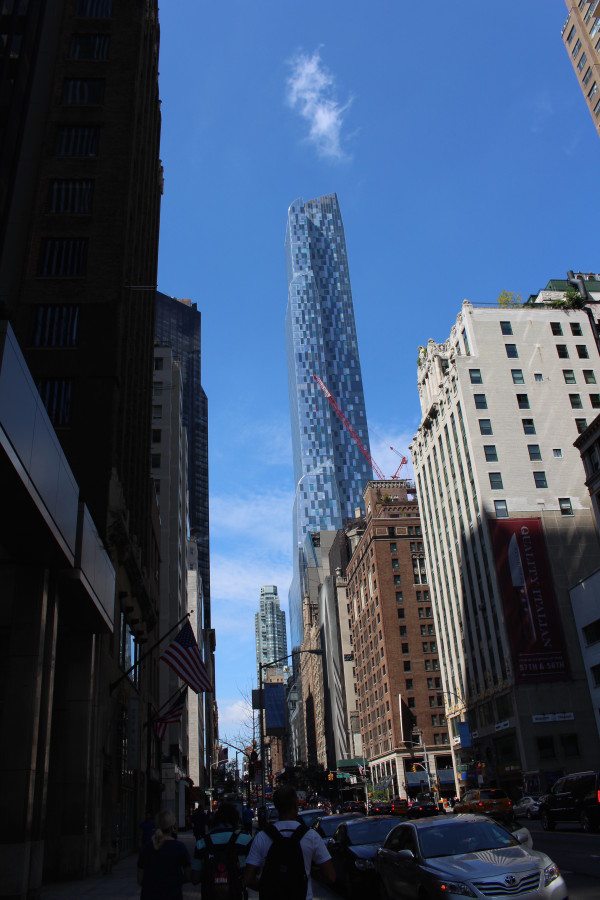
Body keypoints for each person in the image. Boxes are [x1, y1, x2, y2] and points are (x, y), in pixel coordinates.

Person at [244, 785, 335, 900]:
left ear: (276, 806)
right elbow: (330, 876)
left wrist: (268, 888)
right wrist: (307, 875)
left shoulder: (262, 837)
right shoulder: (311, 837)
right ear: (296, 805)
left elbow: (248, 878)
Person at [191, 802, 252, 897]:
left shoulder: (202, 842)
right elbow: (251, 872)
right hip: (236, 893)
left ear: (216, 819)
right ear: (236, 819)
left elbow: (195, 878)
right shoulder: (245, 839)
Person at [137, 809, 191, 900]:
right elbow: (188, 876)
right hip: (173, 895)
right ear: (172, 827)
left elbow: (140, 879)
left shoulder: (146, 848)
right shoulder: (180, 848)